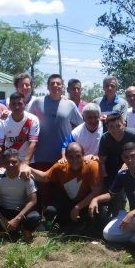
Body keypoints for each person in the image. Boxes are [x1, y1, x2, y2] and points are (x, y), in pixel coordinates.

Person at [28, 74, 83, 205]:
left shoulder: (70, 105)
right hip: (42, 155)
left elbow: (80, 126)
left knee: (62, 190)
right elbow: (27, 121)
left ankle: (60, 220)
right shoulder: (37, 102)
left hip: (64, 157)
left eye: (58, 83)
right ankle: (46, 221)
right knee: (44, 191)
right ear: (47, 86)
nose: (55, 86)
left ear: (62, 87)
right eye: (52, 83)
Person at [88, 142, 135, 245]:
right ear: (122, 158)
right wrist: (95, 199)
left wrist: (132, 213)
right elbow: (111, 194)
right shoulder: (122, 174)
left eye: (133, 156)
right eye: (126, 157)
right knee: (108, 234)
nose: (130, 160)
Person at [29, 142, 104, 230]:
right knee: (50, 211)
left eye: (78, 156)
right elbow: (44, 177)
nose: (74, 160)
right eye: (70, 157)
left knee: (92, 219)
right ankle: (49, 225)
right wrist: (27, 168)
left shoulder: (92, 165)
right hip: (67, 200)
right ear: (66, 156)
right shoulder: (61, 166)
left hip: (85, 201)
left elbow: (96, 191)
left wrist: (77, 207)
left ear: (83, 155)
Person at [0, 149, 41, 241]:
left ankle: (25, 231)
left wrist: (17, 218)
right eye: (7, 162)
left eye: (14, 162)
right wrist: (1, 218)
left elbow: (33, 201)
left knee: (35, 217)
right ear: (4, 163)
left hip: (21, 212)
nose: (11, 165)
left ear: (20, 162)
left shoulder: (27, 177)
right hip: (3, 211)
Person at [98, 114, 135, 189]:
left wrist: (128, 164)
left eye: (118, 126)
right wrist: (105, 177)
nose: (115, 129)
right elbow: (102, 161)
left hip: (132, 162)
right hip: (113, 166)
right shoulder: (105, 138)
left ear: (124, 124)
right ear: (107, 127)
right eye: (111, 127)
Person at [0, 92, 40, 167]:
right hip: (9, 162)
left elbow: (33, 143)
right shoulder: (2, 121)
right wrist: (1, 166)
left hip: (28, 162)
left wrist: (25, 163)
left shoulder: (33, 119)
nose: (17, 107)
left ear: (25, 105)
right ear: (9, 106)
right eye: (13, 104)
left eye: (20, 103)